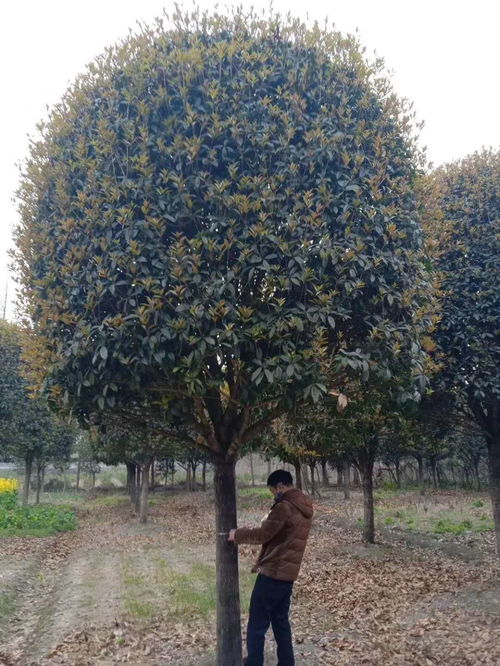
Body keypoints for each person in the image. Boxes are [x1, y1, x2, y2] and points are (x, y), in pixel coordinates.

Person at [228, 469, 313, 666]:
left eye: (273, 492)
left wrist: (237, 535)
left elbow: (263, 534)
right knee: (281, 622)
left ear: (281, 486)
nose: (274, 495)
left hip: (273, 572)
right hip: (288, 575)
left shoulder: (284, 507)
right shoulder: (304, 506)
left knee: (257, 624)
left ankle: (254, 662)